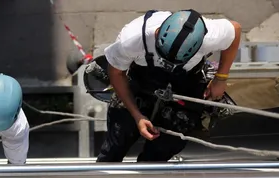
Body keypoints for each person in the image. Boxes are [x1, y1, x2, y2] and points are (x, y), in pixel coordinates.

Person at [97, 9, 241, 162]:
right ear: (157, 32)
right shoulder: (132, 39)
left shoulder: (210, 35)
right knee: (118, 140)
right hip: (141, 80)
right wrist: (137, 116)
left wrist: (221, 78)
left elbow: (236, 30)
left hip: (186, 82)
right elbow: (116, 73)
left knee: (164, 148)